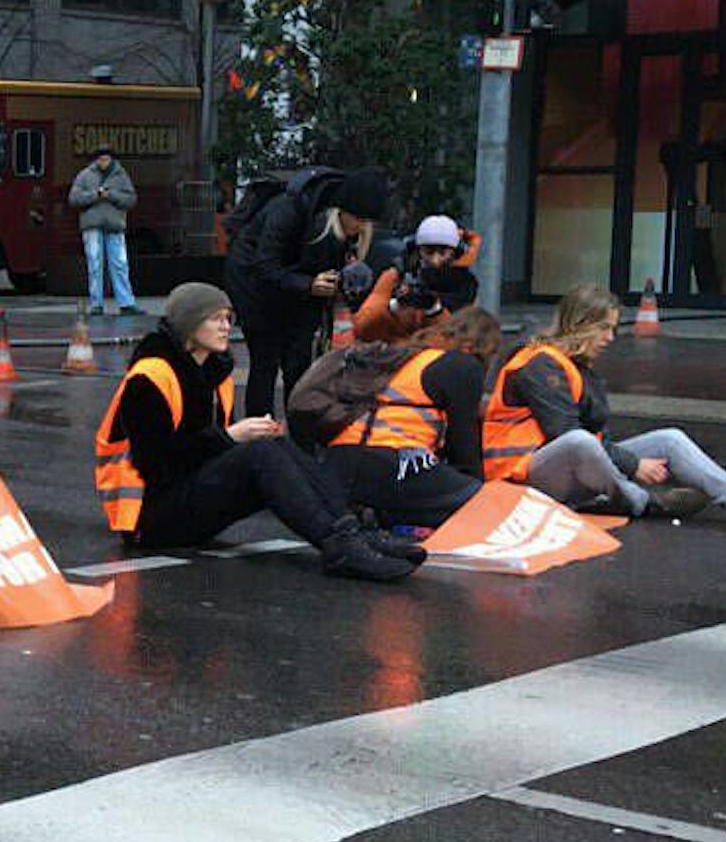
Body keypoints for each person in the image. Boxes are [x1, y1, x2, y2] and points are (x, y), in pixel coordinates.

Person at [93, 282, 418, 580]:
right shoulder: (149, 378)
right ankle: (339, 546)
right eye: (216, 319)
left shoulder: (213, 373)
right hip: (148, 519)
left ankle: (353, 531)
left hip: (183, 498)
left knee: (273, 444)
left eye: (228, 318)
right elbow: (158, 466)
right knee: (258, 453)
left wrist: (240, 437)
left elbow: (209, 453)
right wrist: (231, 438)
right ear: (188, 326)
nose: (226, 327)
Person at [482, 283, 726, 528]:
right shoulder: (540, 365)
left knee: (669, 439)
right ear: (581, 325)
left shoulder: (573, 365)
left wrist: (628, 463)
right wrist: (632, 464)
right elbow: (566, 435)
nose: (610, 339)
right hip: (520, 478)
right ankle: (645, 503)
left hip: (559, 468)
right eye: (604, 329)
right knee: (578, 442)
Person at [290, 307, 501, 530]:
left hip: (339, 463)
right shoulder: (462, 365)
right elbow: (464, 451)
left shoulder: (405, 355)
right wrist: (476, 497)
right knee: (480, 502)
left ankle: (379, 515)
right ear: (477, 347)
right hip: (396, 462)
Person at [225, 165, 388, 418]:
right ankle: (260, 435)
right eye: (358, 219)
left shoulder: (348, 231)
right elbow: (265, 265)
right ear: (341, 210)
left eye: (368, 222)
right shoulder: (289, 210)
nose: (361, 227)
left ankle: (302, 435)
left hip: (300, 288)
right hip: (254, 284)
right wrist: (308, 284)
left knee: (299, 363)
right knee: (265, 362)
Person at [353, 214, 481, 344]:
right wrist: (394, 306)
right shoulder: (394, 277)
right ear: (417, 251)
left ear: (455, 253)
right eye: (429, 252)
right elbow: (362, 329)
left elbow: (457, 339)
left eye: (442, 252)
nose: (435, 260)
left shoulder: (465, 286)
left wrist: (433, 309)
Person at [68, 146, 139, 316]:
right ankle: (96, 304)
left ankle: (126, 303)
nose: (103, 162)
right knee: (95, 263)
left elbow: (131, 199)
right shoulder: (85, 175)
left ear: (112, 159)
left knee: (120, 263)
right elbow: (73, 199)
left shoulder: (121, 176)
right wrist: (96, 195)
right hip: (92, 225)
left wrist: (111, 195)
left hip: (114, 225)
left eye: (106, 159)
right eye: (100, 159)